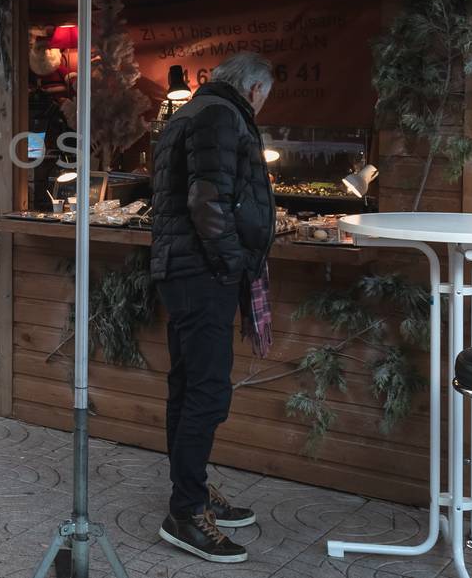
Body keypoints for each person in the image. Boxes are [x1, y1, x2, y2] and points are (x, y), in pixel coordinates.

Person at [147, 51, 276, 564]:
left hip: (185, 269)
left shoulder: (192, 112)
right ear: (255, 90)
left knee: (189, 387)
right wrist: (232, 263)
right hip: (202, 272)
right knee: (206, 391)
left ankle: (193, 489)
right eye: (265, 99)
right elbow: (208, 200)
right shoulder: (221, 116)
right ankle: (185, 511)